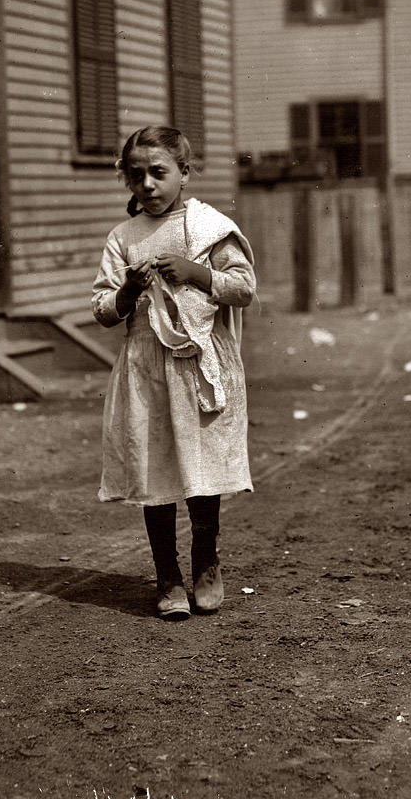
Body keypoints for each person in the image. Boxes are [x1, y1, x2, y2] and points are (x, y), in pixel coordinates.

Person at [91, 126, 256, 620]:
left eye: (158, 173)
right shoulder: (123, 238)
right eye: (136, 175)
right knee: (154, 466)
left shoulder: (210, 226)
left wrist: (197, 274)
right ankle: (167, 575)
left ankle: (206, 561)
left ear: (184, 173)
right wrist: (126, 293)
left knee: (202, 468)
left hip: (198, 365)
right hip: (145, 368)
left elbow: (243, 287)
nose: (147, 185)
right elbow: (102, 307)